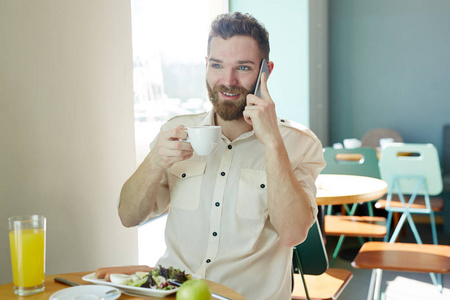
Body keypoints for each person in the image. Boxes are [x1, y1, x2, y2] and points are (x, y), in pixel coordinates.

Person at [119, 12, 325, 299]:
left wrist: (273, 144)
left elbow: (293, 234)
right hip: (174, 293)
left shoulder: (298, 143)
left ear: (266, 72)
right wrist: (154, 161)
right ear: (206, 66)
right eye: (217, 65)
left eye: (243, 67)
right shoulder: (176, 130)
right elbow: (128, 217)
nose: (227, 81)